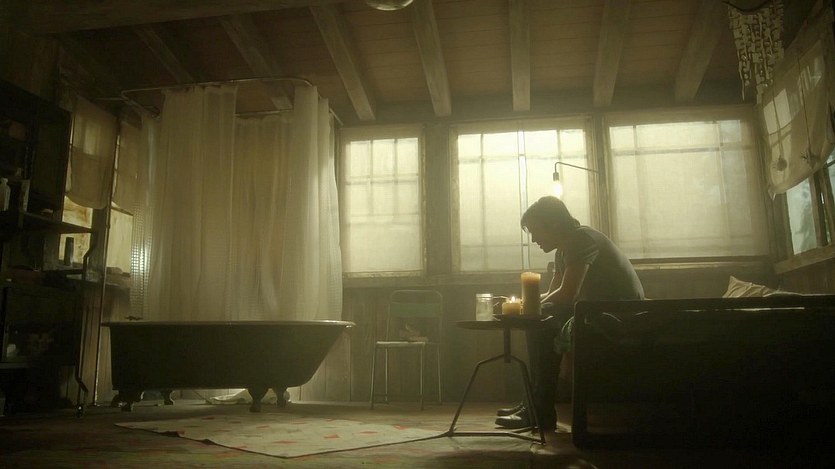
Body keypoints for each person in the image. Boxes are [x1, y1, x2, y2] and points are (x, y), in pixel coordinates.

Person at [494, 195, 645, 431]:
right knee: (540, 317)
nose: (533, 239)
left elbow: (567, 294)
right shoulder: (562, 250)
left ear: (553, 224)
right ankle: (535, 404)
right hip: (598, 312)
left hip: (622, 316)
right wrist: (523, 304)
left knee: (542, 321)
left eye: (536, 231)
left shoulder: (580, 239)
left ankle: (539, 408)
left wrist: (529, 308)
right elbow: (553, 293)